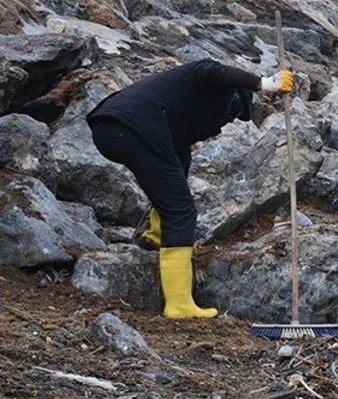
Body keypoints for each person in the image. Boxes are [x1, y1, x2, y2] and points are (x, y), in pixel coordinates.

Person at [88, 60, 295, 319]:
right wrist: (265, 84)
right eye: (233, 113)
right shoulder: (208, 79)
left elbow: (176, 171)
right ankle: (179, 305)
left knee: (174, 199)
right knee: (182, 212)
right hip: (133, 125)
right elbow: (213, 69)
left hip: (109, 127)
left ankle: (156, 237)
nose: (228, 121)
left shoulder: (181, 111)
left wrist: (176, 234)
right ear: (229, 96)